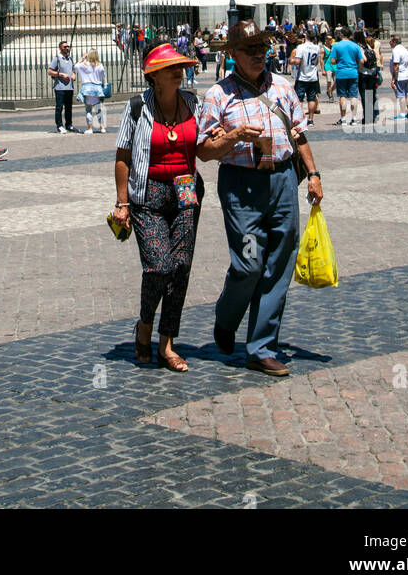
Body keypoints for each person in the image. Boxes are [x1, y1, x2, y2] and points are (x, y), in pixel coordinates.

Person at [197, 19, 322, 375]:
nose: (258, 55)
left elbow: (299, 134)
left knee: (280, 262)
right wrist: (234, 135)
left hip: (283, 180)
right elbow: (204, 151)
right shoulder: (218, 96)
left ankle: (262, 347)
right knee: (249, 262)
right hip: (242, 185)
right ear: (232, 54)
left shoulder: (282, 86)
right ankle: (226, 317)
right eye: (249, 50)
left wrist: (313, 175)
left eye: (262, 48)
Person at [113, 42, 203, 371]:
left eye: (180, 66)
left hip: (185, 194)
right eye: (170, 68)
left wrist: (230, 136)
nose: (179, 72)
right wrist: (122, 203)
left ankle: (167, 342)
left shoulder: (193, 102)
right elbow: (123, 156)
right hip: (146, 196)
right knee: (159, 266)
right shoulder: (137, 107)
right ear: (154, 76)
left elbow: (205, 143)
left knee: (180, 268)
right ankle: (145, 325)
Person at [329, 26, 361, 125]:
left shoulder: (337, 46)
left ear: (341, 34)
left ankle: (343, 119)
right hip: (353, 72)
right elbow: (360, 60)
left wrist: (340, 60)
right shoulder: (355, 46)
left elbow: (332, 61)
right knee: (353, 96)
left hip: (341, 73)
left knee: (342, 96)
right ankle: (354, 118)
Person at [290, 33, 321, 126]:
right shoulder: (317, 47)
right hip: (313, 76)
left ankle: (299, 118)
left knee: (299, 98)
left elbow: (297, 61)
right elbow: (317, 62)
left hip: (302, 76)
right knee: (311, 98)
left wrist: (291, 61)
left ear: (306, 37)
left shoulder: (301, 47)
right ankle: (311, 119)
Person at [76, 49, 107, 133]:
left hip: (87, 89)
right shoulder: (100, 65)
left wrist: (83, 57)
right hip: (97, 89)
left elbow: (76, 66)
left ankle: (90, 128)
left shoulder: (85, 65)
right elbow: (103, 76)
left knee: (88, 110)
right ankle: (102, 127)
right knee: (98, 109)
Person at [49, 40, 76, 133]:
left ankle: (69, 124)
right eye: (65, 47)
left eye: (68, 46)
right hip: (60, 87)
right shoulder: (57, 58)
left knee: (69, 107)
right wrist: (61, 75)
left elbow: (72, 70)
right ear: (60, 48)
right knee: (59, 107)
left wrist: (73, 74)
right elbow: (50, 71)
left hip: (69, 87)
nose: (67, 48)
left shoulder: (70, 59)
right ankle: (59, 125)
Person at [356, 33, 379, 124]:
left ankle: (367, 118)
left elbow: (363, 60)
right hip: (372, 73)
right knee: (371, 95)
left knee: (364, 96)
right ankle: (372, 116)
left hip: (364, 73)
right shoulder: (369, 47)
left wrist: (358, 69)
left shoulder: (360, 48)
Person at [389, 34, 408, 120]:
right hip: (406, 74)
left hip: (400, 76)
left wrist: (393, 79)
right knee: (406, 94)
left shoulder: (396, 50)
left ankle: (402, 114)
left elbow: (396, 66)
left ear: (395, 42)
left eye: (390, 41)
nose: (389, 43)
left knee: (401, 95)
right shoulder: (404, 49)